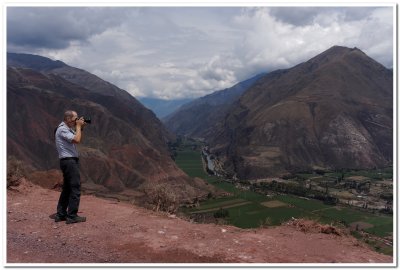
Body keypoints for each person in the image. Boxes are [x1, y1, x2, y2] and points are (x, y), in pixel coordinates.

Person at [54, 110, 86, 224]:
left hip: (68, 161)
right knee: (75, 187)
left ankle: (61, 214)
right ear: (68, 119)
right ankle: (72, 215)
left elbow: (76, 136)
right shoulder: (62, 129)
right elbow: (77, 140)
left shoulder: (67, 129)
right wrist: (78, 126)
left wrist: (80, 128)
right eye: (75, 118)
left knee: (67, 188)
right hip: (69, 161)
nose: (76, 120)